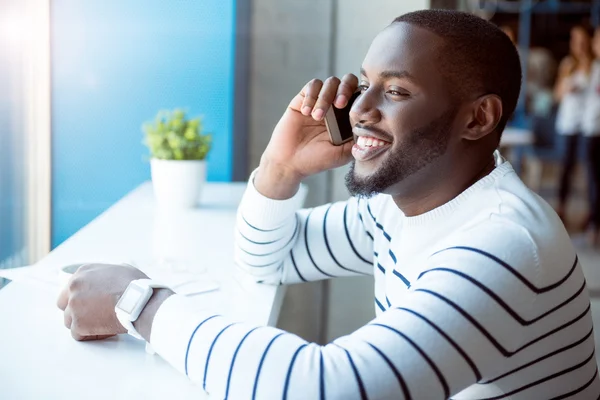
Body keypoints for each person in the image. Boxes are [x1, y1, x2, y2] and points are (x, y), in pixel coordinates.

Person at [57, 10, 598, 399]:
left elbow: (330, 388)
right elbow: (269, 260)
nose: (359, 109)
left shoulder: (503, 243)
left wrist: (139, 305)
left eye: (397, 91)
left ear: (477, 119)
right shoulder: (398, 202)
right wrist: (280, 168)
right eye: (365, 84)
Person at [554, 26, 594, 226]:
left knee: (590, 171)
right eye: (574, 40)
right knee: (566, 168)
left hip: (587, 126)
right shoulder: (567, 64)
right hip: (568, 124)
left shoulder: (594, 66)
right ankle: (561, 208)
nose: (577, 44)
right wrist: (567, 87)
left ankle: (591, 214)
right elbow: (557, 95)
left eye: (581, 39)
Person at [582, 26, 600, 246]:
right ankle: (593, 222)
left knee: (596, 179)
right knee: (592, 179)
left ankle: (594, 224)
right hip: (589, 129)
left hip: (598, 131)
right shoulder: (592, 67)